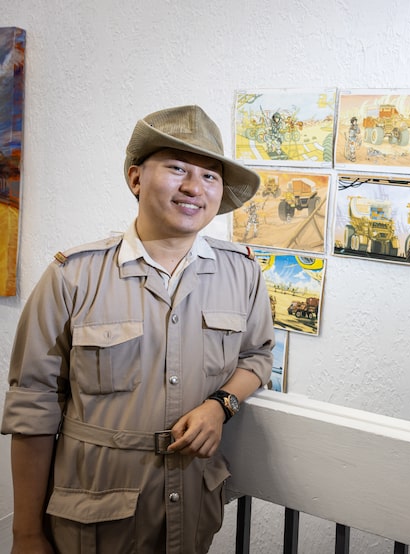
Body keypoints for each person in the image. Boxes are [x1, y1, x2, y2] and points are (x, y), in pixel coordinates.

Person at [2, 105, 275, 553]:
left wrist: (221, 405)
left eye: (210, 176)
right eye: (177, 168)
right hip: (92, 519)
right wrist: (26, 534)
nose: (194, 187)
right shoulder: (73, 276)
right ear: (136, 179)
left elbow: (257, 356)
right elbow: (33, 407)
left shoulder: (242, 273)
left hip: (192, 510)